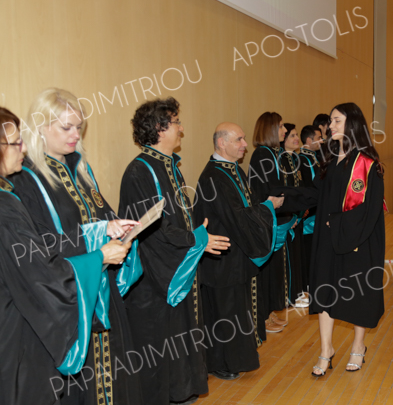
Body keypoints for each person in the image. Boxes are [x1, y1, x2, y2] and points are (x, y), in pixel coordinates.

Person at [10, 89, 143, 405]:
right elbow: (39, 247)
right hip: (69, 296)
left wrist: (120, 228)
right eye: (66, 127)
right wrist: (97, 235)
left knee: (113, 376)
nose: (76, 135)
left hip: (100, 285)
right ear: (42, 127)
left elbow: (102, 214)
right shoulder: (25, 179)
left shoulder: (80, 168)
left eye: (79, 127)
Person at [118, 97, 231, 405]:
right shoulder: (139, 171)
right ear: (160, 128)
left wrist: (196, 238)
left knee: (181, 331)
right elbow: (150, 229)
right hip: (154, 278)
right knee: (158, 338)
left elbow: (180, 218)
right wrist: (196, 240)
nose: (181, 128)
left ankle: (181, 392)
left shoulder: (171, 167)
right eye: (177, 122)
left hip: (178, 265)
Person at [194, 122, 284, 380]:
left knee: (235, 309)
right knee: (224, 312)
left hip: (236, 255)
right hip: (221, 259)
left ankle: (237, 358)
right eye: (239, 140)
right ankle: (222, 363)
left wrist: (263, 206)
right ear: (222, 143)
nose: (245, 144)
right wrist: (268, 207)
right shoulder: (213, 177)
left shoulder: (233, 170)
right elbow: (236, 218)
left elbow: (246, 208)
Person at [308, 102, 385, 376]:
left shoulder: (367, 164)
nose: (330, 126)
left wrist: (338, 223)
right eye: (331, 121)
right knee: (324, 289)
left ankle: (358, 345)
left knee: (356, 293)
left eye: (337, 121)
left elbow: (369, 209)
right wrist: (283, 198)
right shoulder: (330, 158)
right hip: (327, 237)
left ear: (351, 124)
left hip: (358, 239)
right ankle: (326, 349)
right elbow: (317, 194)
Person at [248, 112, 297, 337]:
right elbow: (272, 191)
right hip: (265, 221)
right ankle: (263, 316)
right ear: (269, 129)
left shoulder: (270, 153)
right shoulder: (263, 154)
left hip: (271, 219)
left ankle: (268, 312)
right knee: (265, 273)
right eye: (280, 126)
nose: (284, 130)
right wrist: (290, 212)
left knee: (272, 271)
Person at [281, 123, 306, 307]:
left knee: (298, 254)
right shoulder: (280, 160)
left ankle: (298, 291)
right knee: (289, 256)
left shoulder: (294, 158)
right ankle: (290, 295)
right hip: (288, 216)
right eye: (292, 136)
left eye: (297, 135)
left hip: (299, 213)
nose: (296, 139)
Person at [298, 125, 322, 306]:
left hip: (317, 210)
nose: (322, 141)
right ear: (309, 140)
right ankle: (306, 284)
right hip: (309, 212)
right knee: (308, 248)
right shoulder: (301, 159)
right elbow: (307, 185)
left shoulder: (314, 157)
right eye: (318, 138)